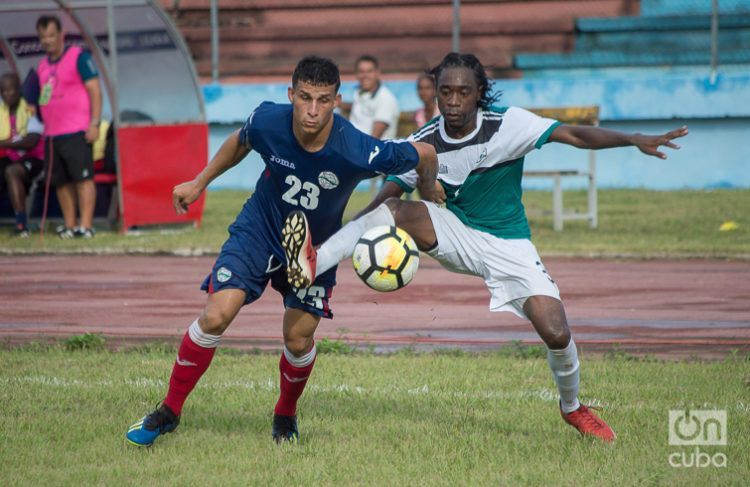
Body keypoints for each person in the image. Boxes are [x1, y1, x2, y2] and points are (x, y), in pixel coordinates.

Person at [284, 52, 689, 443]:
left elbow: (574, 133)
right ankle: (314, 261)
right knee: (392, 208)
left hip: (509, 244)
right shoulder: (424, 140)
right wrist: (347, 232)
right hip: (454, 231)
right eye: (446, 92)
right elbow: (388, 194)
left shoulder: (509, 125)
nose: (454, 101)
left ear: (479, 92)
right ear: (436, 93)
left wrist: (633, 138)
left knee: (556, 330)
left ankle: (572, 406)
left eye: (463, 92)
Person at [125, 56, 438, 447]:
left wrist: (430, 187)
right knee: (217, 313)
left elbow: (424, 152)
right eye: (304, 97)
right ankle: (169, 411)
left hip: (314, 250)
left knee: (297, 339)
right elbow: (241, 140)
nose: (312, 110)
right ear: (291, 94)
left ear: (337, 100)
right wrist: (199, 181)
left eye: (323, 100)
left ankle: (285, 415)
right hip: (260, 229)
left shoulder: (358, 149)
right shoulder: (267, 120)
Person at [36, 15, 102, 239]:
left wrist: (94, 123)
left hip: (77, 130)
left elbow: (95, 90)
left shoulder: (79, 58)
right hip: (52, 135)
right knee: (60, 182)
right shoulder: (43, 66)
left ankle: (86, 225)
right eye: (43, 36)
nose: (48, 40)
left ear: (61, 35)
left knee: (83, 179)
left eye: (51, 35)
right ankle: (70, 224)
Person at [0, 73, 45, 237]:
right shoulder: (1, 111)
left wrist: (4, 143)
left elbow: (31, 141)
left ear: (18, 90)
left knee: (12, 171)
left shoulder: (30, 109)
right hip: (11, 156)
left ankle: (21, 225)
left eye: (10, 91)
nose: (7, 95)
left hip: (35, 159)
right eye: (3, 91)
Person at [347, 55, 400, 140]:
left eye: (369, 71)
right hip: (354, 145)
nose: (365, 75)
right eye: (361, 71)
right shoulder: (359, 92)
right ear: (356, 74)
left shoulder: (385, 98)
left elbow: (374, 138)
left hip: (376, 150)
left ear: (377, 73)